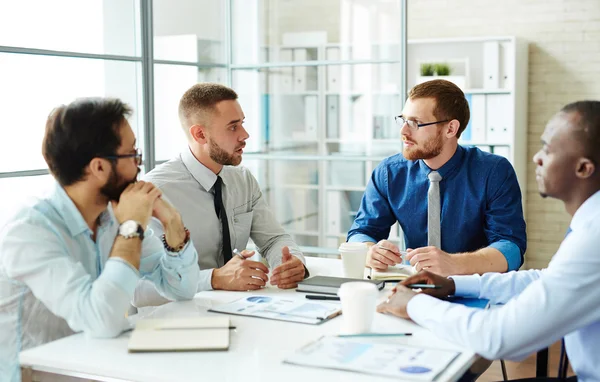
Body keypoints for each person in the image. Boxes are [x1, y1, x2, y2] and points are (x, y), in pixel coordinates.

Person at [377, 101, 600, 381]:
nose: (536, 158)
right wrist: (455, 284)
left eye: (548, 149)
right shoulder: (591, 224)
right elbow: (548, 279)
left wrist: (413, 304)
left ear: (583, 168)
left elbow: (498, 337)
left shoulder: (594, 239)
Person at [0, 98, 200, 381]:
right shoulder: (30, 232)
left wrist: (173, 224)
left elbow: (181, 289)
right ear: (99, 168)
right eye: (133, 155)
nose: (140, 166)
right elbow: (101, 318)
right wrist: (131, 227)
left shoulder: (110, 214)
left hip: (94, 367)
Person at [347, 79, 526, 276]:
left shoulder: (494, 171)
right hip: (415, 286)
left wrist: (454, 263)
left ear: (451, 129)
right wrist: (369, 251)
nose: (403, 131)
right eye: (403, 120)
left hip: (477, 287)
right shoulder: (389, 172)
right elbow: (360, 232)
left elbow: (511, 249)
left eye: (416, 123)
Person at [143, 83, 307, 294]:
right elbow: (141, 289)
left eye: (242, 124)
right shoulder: (155, 192)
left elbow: (274, 239)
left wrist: (290, 262)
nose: (245, 135)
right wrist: (214, 279)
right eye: (233, 127)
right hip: (177, 319)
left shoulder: (242, 179)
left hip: (239, 310)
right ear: (200, 134)